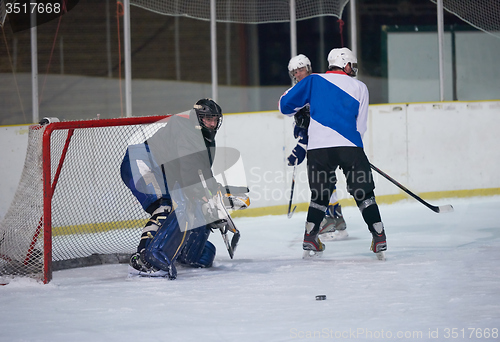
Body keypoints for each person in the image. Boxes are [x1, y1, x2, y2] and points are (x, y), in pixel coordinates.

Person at [279, 48, 387, 259]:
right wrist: (353, 150)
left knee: (320, 195)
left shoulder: (313, 81)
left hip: (319, 150)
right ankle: (379, 235)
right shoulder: (360, 87)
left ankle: (310, 237)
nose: (353, 69)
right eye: (352, 66)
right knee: (363, 192)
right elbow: (361, 126)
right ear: (345, 64)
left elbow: (285, 106)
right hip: (350, 147)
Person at [121, 98, 247, 279]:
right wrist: (207, 196)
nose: (212, 123)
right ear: (197, 117)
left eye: (215, 120)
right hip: (140, 161)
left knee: (191, 208)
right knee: (165, 206)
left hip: (163, 170)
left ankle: (182, 251)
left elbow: (202, 173)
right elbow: (189, 169)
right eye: (208, 119)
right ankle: (144, 260)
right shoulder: (184, 128)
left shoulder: (206, 139)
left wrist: (214, 194)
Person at [286, 54, 348, 240]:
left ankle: (329, 221)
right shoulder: (298, 90)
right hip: (317, 142)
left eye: (301, 69)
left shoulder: (318, 85)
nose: (298, 74)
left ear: (309, 68)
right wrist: (300, 138)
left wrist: (303, 143)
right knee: (326, 179)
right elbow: (301, 120)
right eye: (295, 72)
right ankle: (337, 220)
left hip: (326, 140)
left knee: (322, 181)